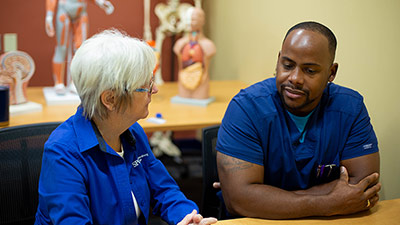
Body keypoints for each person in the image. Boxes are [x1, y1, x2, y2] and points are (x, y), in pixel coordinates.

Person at [34, 29, 217, 225]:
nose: (154, 90)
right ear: (110, 99)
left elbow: (163, 189)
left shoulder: (132, 130)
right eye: (146, 85)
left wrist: (187, 217)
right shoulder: (63, 152)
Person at [216, 21, 381, 219]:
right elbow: (240, 200)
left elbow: (363, 187)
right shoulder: (246, 108)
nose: (295, 78)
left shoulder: (350, 108)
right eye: (287, 65)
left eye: (310, 70)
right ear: (278, 60)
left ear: (331, 73)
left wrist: (268, 197)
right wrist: (328, 202)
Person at [45, 0, 114, 95]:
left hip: (81, 11)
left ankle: (74, 82)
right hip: (64, 9)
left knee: (79, 49)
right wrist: (49, 15)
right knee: (62, 48)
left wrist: (100, 2)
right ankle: (59, 82)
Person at [173, 7, 216, 99]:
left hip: (200, 80)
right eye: (188, 19)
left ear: (202, 20)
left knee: (200, 94)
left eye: (193, 19)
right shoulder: (180, 44)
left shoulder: (208, 45)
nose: (190, 22)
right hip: (184, 79)